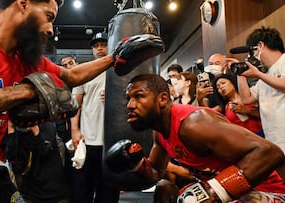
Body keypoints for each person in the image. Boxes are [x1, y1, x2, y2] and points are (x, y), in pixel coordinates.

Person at [0, 0, 154, 201]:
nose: (50, 29)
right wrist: (26, 92)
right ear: (23, 4)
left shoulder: (27, 62)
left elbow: (71, 77)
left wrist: (115, 57)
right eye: (48, 17)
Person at [106, 74, 285, 202]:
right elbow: (155, 173)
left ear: (162, 99)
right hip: (231, 193)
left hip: (266, 192)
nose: (129, 105)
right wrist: (137, 165)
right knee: (164, 188)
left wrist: (214, 191)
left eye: (138, 96)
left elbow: (270, 153)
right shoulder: (159, 132)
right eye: (128, 98)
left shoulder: (194, 124)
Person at [70, 32, 119, 203]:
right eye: (96, 45)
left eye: (103, 44)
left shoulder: (118, 71)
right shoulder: (84, 71)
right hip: (87, 140)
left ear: (109, 46)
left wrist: (117, 97)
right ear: (92, 49)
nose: (99, 48)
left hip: (111, 142)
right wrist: (75, 131)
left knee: (108, 192)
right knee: (82, 190)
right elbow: (74, 105)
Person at [237, 26, 285, 153]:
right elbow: (247, 99)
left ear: (260, 46)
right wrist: (240, 73)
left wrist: (258, 74)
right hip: (274, 141)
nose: (252, 57)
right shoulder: (265, 75)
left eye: (251, 52)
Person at [5, 121, 72, 203]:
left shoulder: (44, 123)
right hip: (30, 194)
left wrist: (36, 132)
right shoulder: (17, 130)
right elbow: (15, 165)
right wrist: (11, 130)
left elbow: (45, 150)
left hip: (55, 193)